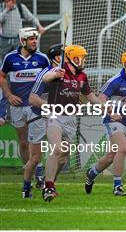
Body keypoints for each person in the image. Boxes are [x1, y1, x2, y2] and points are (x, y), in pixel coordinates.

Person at [34, 45, 107, 201]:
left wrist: (107, 109)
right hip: (55, 115)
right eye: (83, 57)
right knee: (56, 149)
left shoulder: (82, 76)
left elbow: (91, 96)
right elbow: (46, 79)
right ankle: (48, 187)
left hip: (71, 119)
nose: (85, 60)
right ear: (74, 58)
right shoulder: (58, 71)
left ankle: (51, 182)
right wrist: (54, 75)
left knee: (64, 158)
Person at [84, 51, 126, 196]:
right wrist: (110, 113)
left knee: (111, 155)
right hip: (113, 120)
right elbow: (101, 99)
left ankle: (91, 174)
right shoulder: (114, 81)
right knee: (122, 148)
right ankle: (117, 186)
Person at [0, 28, 50, 198]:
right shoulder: (10, 58)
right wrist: (8, 95)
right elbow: (1, 76)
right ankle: (28, 170)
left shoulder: (42, 59)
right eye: (30, 39)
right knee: (23, 142)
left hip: (35, 107)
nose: (34, 41)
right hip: (17, 106)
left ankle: (39, 171)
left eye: (35, 38)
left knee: (35, 141)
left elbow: (51, 77)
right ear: (22, 41)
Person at [25, 44, 64, 198]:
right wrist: (50, 107)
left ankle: (49, 185)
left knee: (62, 156)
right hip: (38, 117)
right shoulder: (45, 74)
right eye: (64, 55)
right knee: (35, 158)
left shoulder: (66, 73)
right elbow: (33, 98)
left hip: (53, 119)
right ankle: (26, 187)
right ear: (57, 57)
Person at [0, 0, 46, 121]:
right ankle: (4, 112)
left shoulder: (20, 7)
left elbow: (31, 17)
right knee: (7, 74)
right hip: (4, 40)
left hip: (17, 39)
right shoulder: (2, 8)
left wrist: (39, 26)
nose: (11, 1)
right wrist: (6, 9)